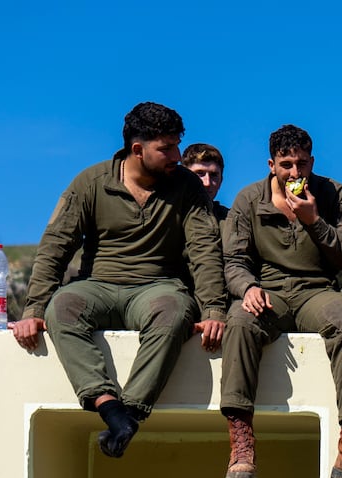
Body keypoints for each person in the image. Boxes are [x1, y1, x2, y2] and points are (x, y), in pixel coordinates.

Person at [13, 102, 227, 458]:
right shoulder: (90, 183)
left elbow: (204, 251)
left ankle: (130, 413)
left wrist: (215, 310)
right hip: (96, 285)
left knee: (175, 312)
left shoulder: (187, 186)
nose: (176, 155)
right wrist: (34, 308)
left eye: (177, 145)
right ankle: (108, 405)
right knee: (61, 308)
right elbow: (55, 247)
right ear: (137, 149)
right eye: (166, 148)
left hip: (158, 287)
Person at [218, 124, 342, 478]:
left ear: (312, 161)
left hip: (317, 290)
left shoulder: (334, 193)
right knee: (240, 322)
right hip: (269, 291)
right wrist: (247, 288)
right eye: (286, 164)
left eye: (302, 163)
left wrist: (314, 221)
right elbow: (234, 261)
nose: (295, 172)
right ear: (271, 164)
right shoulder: (248, 199)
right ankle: (241, 441)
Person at [182, 143, 229, 231]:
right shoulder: (168, 216)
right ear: (184, 177)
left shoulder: (232, 221)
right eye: (200, 173)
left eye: (214, 175)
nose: (207, 183)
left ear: (221, 180)